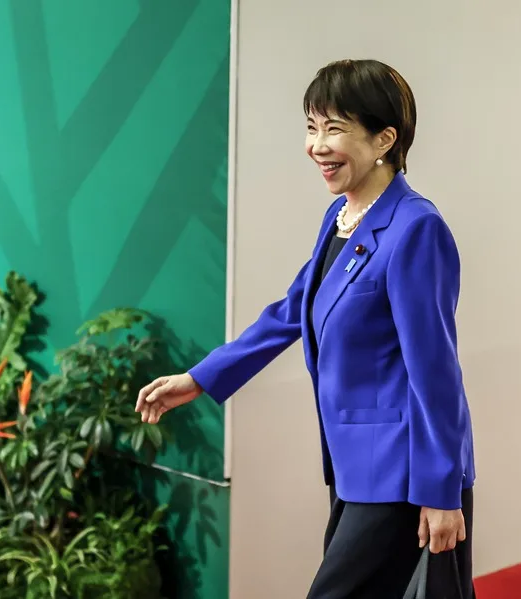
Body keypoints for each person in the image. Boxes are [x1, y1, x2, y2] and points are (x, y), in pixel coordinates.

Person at [135, 59, 476, 598]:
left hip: (403, 473)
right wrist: (201, 378)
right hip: (353, 465)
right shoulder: (343, 217)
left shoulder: (416, 229)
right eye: (312, 127)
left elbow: (435, 372)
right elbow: (293, 308)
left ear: (385, 139)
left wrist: (441, 491)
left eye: (333, 129)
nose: (316, 146)